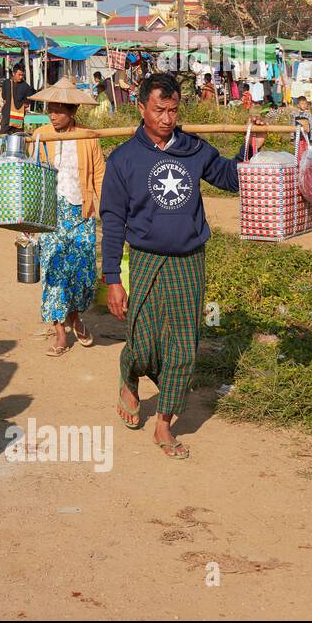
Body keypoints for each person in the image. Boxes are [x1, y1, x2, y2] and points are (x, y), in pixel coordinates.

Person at [100, 72, 262, 459]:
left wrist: (249, 151)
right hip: (145, 259)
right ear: (141, 108)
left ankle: (164, 423)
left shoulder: (193, 149)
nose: (167, 119)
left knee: (184, 347)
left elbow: (229, 178)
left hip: (189, 260)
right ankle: (129, 378)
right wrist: (112, 279)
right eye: (159, 110)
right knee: (142, 339)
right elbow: (111, 221)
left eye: (173, 111)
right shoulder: (123, 160)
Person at [25, 78, 106, 356]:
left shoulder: (88, 137)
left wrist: (107, 210)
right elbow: (31, 177)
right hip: (51, 215)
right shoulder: (40, 136)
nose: (53, 114)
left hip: (81, 212)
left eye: (59, 110)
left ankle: (75, 318)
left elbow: (99, 175)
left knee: (81, 272)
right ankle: (60, 332)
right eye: (50, 109)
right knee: (54, 272)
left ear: (73, 112)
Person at [1, 65, 36, 134]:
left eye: (22, 75)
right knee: (3, 137)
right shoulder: (6, 83)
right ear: (13, 73)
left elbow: (27, 103)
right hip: (6, 117)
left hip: (18, 118)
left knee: (17, 138)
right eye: (19, 75)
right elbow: (4, 98)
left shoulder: (26, 87)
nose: (21, 77)